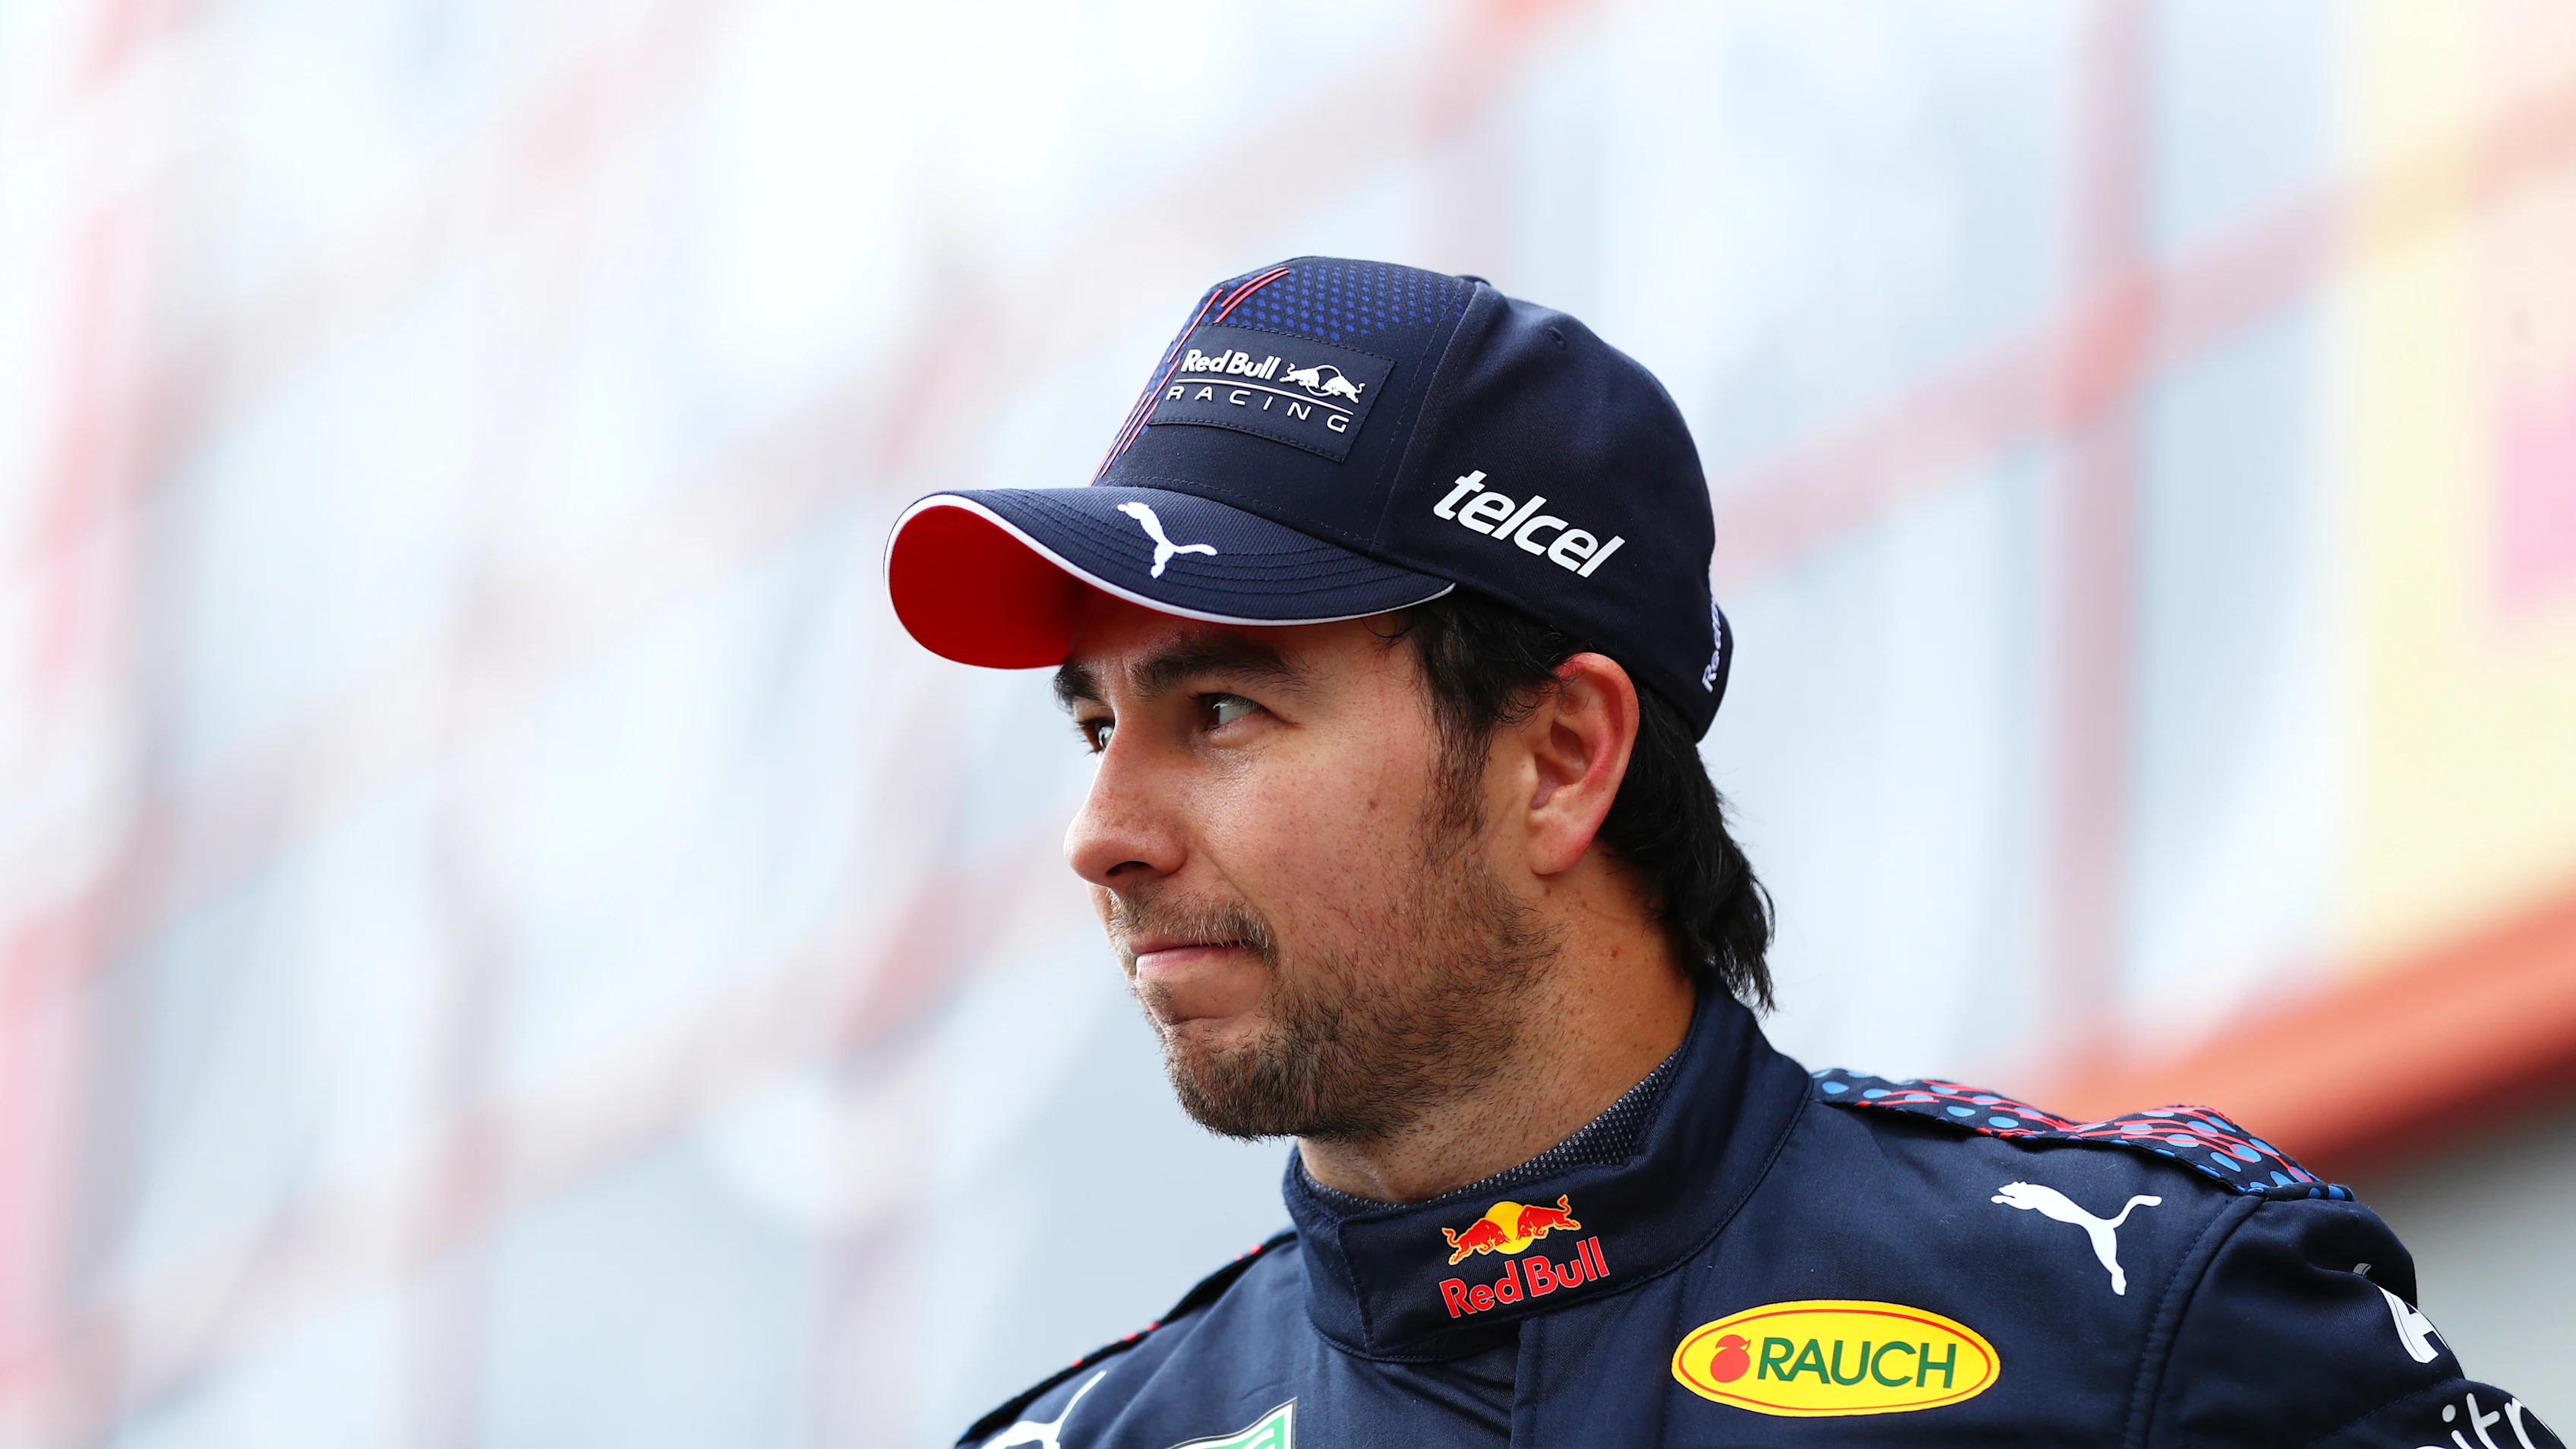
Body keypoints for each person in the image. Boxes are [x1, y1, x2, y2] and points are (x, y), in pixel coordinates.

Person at [883, 258, 2557, 1448]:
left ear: (1561, 758)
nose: (1103, 837)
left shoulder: (2147, 1317)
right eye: (1096, 728)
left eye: (1221, 711)